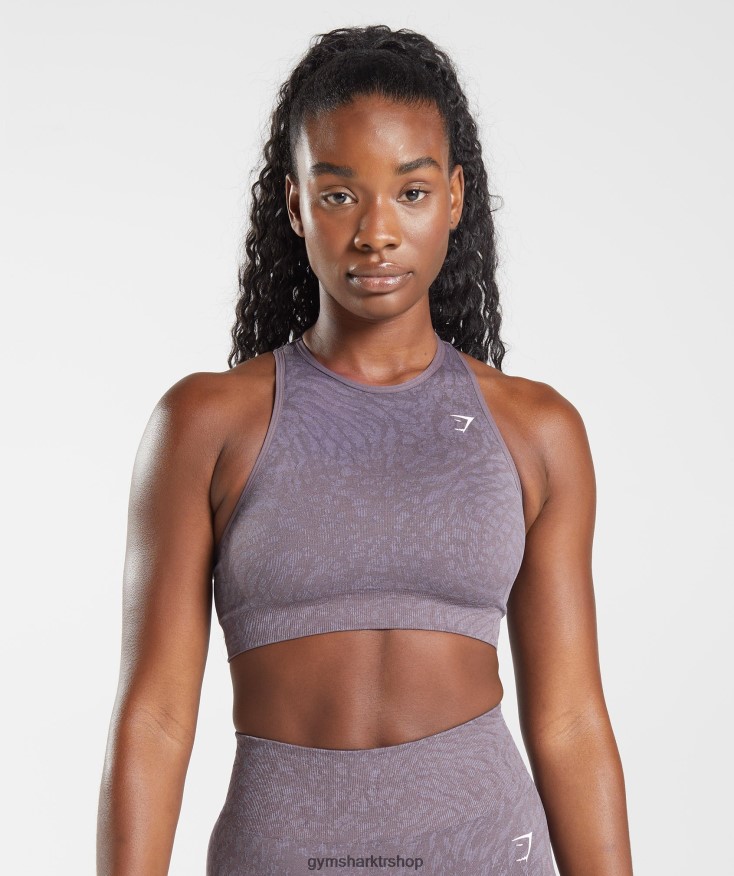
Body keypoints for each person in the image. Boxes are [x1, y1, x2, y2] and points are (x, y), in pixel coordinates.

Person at [96, 24, 634, 876]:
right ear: (296, 205)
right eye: (341, 194)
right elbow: (156, 718)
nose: (377, 232)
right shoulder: (206, 422)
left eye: (411, 192)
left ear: (454, 198)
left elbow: (569, 720)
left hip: (491, 850)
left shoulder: (537, 431)